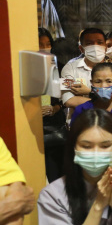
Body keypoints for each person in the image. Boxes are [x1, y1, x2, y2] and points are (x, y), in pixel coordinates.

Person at [61, 28, 112, 111]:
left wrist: (90, 92)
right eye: (89, 43)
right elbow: (69, 101)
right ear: (81, 49)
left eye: (99, 43)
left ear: (105, 47)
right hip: (80, 121)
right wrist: (108, 102)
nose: (95, 46)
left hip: (110, 121)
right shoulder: (70, 68)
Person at [39, 28, 68, 182]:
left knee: (56, 176)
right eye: (40, 44)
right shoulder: (25, 69)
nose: (45, 47)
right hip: (34, 128)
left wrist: (56, 108)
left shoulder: (60, 67)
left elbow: (67, 95)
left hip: (54, 129)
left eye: (48, 44)